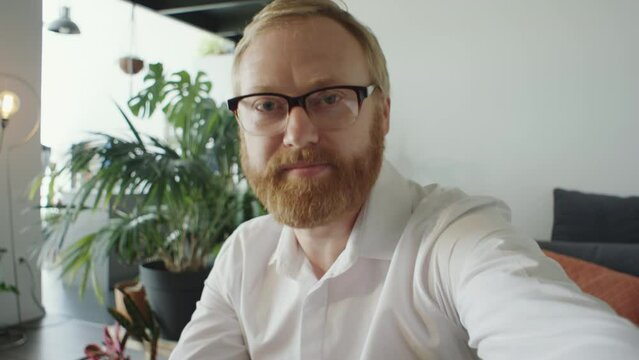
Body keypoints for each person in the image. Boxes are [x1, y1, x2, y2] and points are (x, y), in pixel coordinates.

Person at [170, 1, 639, 359]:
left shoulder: (454, 242)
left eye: (330, 98)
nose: (298, 133)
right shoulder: (242, 255)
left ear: (383, 115)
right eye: (267, 105)